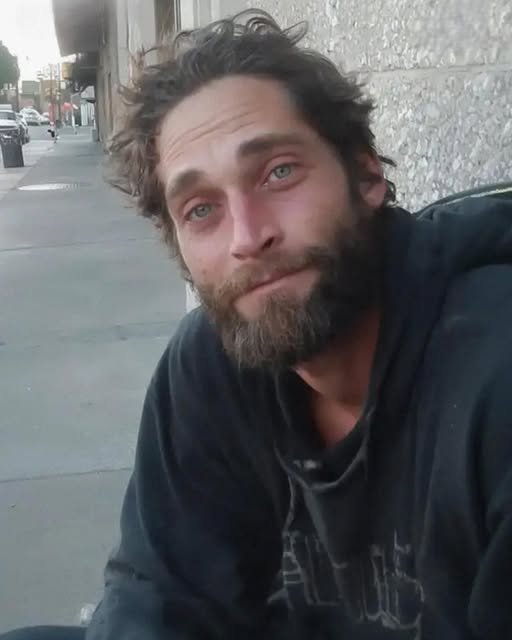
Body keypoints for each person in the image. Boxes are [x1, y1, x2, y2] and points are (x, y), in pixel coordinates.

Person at [4, 9, 512, 640]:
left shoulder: (492, 378)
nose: (247, 237)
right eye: (201, 209)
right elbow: (158, 593)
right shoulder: (211, 362)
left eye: (278, 172)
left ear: (366, 176)